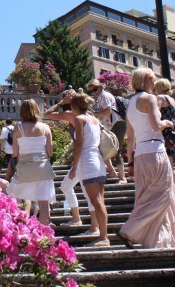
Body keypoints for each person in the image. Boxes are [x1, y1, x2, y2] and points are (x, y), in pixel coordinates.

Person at [118, 68, 175, 249]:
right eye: (153, 77)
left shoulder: (130, 103)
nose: (154, 81)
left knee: (145, 195)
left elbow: (130, 136)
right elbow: (156, 125)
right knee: (164, 194)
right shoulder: (149, 98)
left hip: (141, 153)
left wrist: (130, 163)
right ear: (147, 79)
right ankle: (130, 229)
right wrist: (168, 123)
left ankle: (157, 236)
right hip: (156, 150)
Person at [43, 91, 97, 232]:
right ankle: (76, 218)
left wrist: (62, 102)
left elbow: (46, 114)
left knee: (85, 192)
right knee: (67, 186)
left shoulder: (73, 116)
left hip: (83, 159)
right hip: (93, 157)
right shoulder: (90, 116)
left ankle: (93, 227)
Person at [63, 91, 110, 246]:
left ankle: (104, 238)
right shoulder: (93, 119)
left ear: (74, 105)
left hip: (87, 160)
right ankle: (103, 235)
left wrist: (74, 166)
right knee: (99, 201)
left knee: (96, 201)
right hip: (97, 159)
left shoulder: (79, 119)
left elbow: (79, 143)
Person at [6, 100, 56, 226]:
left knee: (20, 199)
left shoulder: (18, 128)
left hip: (25, 168)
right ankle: (44, 234)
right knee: (44, 204)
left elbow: (15, 153)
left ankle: (24, 230)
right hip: (42, 167)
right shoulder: (45, 128)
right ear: (36, 110)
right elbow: (50, 152)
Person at [87, 79, 127, 185]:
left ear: (100, 87)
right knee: (102, 149)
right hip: (112, 125)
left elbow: (108, 110)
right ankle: (113, 172)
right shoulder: (102, 96)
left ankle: (122, 177)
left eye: (95, 89)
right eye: (92, 91)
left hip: (116, 124)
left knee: (116, 150)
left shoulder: (104, 96)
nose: (94, 92)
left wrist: (96, 114)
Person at [154, 78, 175, 200]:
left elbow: (154, 113)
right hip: (173, 132)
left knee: (168, 165)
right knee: (171, 165)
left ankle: (174, 193)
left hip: (165, 131)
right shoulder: (171, 99)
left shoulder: (160, 98)